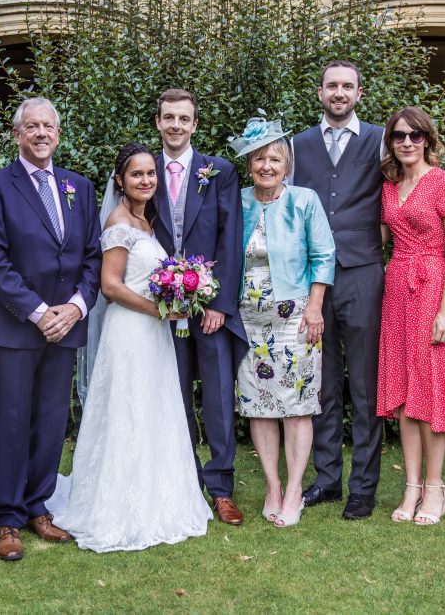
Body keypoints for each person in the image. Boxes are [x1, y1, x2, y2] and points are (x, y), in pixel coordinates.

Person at [53, 143, 212, 551]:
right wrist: (161, 312)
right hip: (129, 333)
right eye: (136, 174)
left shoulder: (147, 224)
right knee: (128, 410)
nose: (145, 181)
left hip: (153, 335)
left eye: (150, 174)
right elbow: (110, 287)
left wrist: (177, 297)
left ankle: (161, 497)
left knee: (154, 409)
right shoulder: (119, 223)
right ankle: (116, 505)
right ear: (120, 180)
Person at [0, 97, 103, 560]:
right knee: (13, 421)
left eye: (49, 126)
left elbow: (93, 255)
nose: (42, 134)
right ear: (17, 134)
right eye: (32, 127)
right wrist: (37, 312)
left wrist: (74, 307)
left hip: (66, 325)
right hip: (18, 326)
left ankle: (38, 506)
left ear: (58, 133)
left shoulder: (79, 187)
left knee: (53, 418)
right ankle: (7, 519)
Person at [292, 61, 386, 520]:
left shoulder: (381, 139)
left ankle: (363, 487)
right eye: (332, 85)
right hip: (314, 280)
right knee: (323, 384)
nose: (339, 92)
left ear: (359, 93)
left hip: (363, 272)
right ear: (319, 92)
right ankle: (327, 479)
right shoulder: (297, 145)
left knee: (364, 385)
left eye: (348, 86)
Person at [231, 118, 335, 528]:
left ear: (286, 165)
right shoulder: (238, 201)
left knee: (296, 407)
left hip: (296, 320)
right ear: (250, 164)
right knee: (259, 406)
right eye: (260, 159)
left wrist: (314, 307)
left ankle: (295, 492)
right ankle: (272, 486)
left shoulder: (304, 200)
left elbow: (323, 256)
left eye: (275, 159)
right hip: (249, 322)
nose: (267, 166)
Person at [151, 88, 248, 525]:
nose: (176, 125)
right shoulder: (143, 170)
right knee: (171, 396)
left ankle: (222, 486)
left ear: (194, 124)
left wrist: (221, 303)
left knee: (217, 397)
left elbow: (229, 238)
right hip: (158, 310)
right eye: (168, 117)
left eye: (183, 118)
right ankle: (185, 478)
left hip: (209, 308)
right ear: (158, 122)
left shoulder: (219, 171)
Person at [377, 107, 445, 525]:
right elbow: (376, 239)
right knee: (402, 392)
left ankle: (435, 488)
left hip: (433, 288)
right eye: (399, 136)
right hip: (397, 288)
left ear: (429, 140)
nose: (407, 142)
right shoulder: (388, 187)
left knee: (431, 391)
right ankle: (411, 486)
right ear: (391, 142)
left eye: (415, 135)